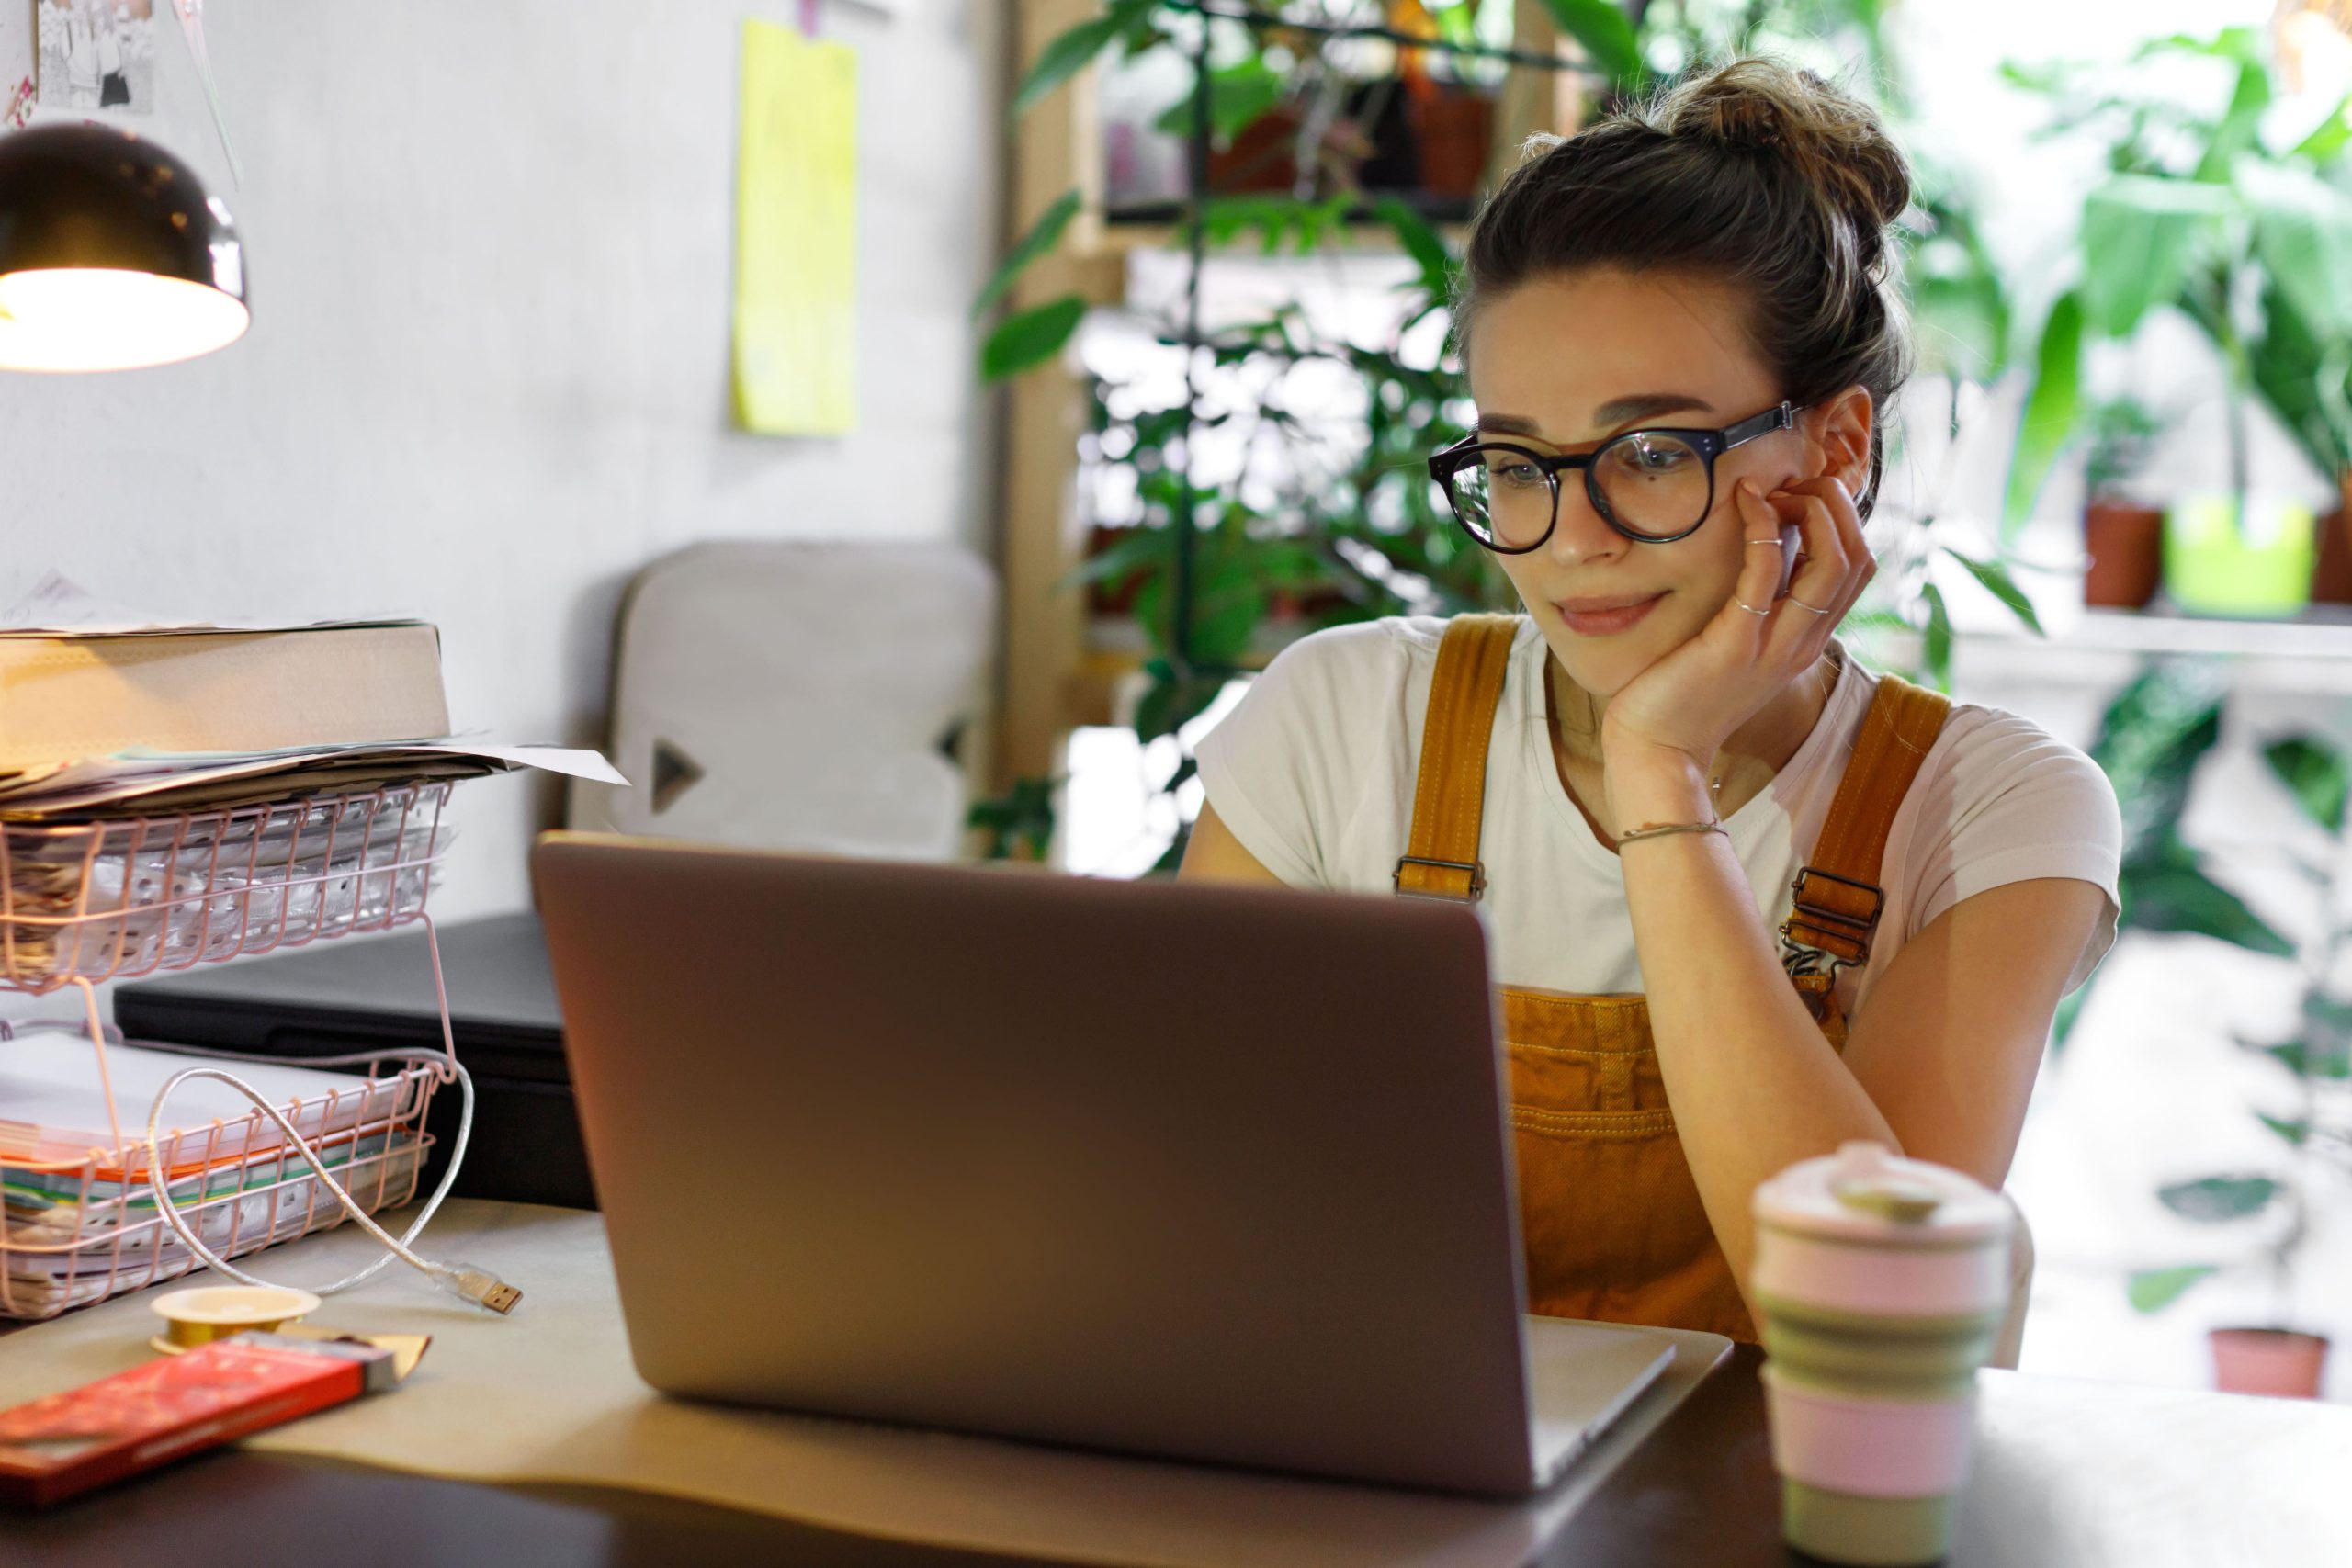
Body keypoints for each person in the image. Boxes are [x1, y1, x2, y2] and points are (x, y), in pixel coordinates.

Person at [1181, 58, 2122, 1344]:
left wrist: (1661, 777)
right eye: (1518, 463)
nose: (1569, 538)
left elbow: (1877, 1316)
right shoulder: (1346, 719)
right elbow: (1186, 1210)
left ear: (1834, 448)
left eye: (1651, 454)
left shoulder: (1990, 813)